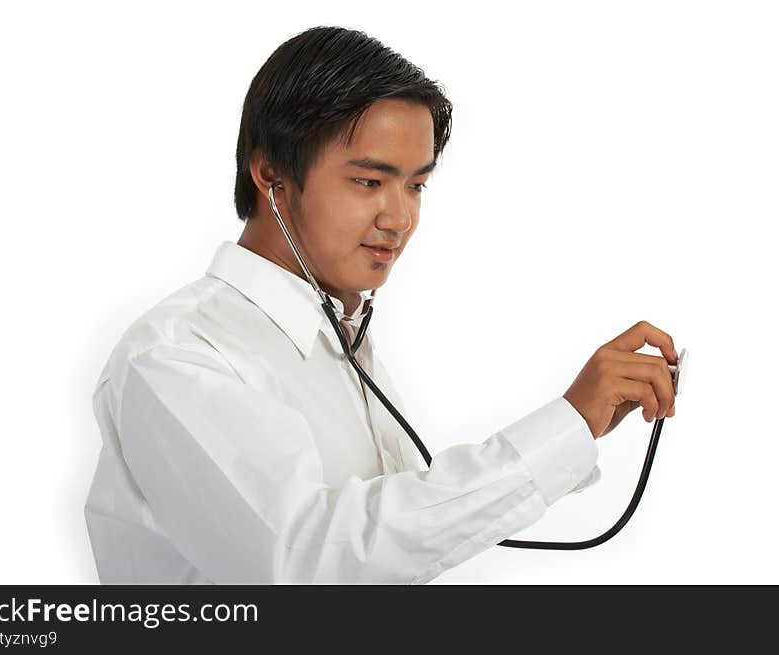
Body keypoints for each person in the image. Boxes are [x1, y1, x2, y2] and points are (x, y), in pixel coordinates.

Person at [84, 25, 678, 584]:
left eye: (416, 185)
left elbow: (387, 540)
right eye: (369, 182)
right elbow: (305, 556)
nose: (400, 218)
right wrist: (564, 426)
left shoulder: (335, 334)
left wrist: (581, 429)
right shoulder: (176, 355)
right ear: (270, 174)